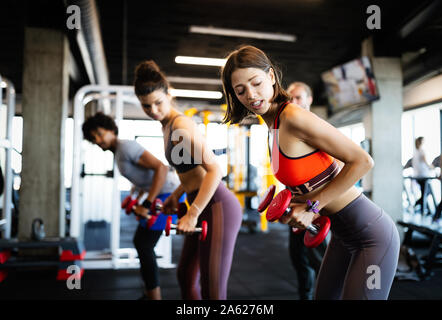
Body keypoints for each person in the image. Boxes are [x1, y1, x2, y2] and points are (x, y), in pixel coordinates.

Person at [221, 45, 400, 300]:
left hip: (371, 235)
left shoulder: (293, 116)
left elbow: (362, 161)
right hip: (342, 235)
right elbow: (312, 178)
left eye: (256, 83)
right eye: (241, 90)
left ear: (271, 76)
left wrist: (312, 208)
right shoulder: (272, 125)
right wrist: (295, 204)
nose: (251, 94)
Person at [133, 60, 243, 300]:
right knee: (184, 276)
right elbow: (191, 172)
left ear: (168, 94)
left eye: (158, 103)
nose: (153, 110)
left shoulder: (181, 125)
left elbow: (215, 170)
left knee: (212, 289)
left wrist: (192, 212)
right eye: (146, 106)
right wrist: (175, 196)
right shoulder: (166, 125)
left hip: (217, 206)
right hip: (199, 202)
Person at [82, 112, 181, 300]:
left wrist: (147, 203)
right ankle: (149, 293)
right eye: (93, 138)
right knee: (141, 243)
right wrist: (135, 196)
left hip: (169, 195)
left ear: (111, 130)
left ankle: (154, 296)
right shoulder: (118, 152)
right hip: (159, 194)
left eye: (100, 134)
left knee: (144, 245)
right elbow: (145, 177)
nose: (98, 140)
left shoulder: (126, 146)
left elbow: (161, 167)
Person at [284, 81, 327, 299]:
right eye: (290, 98)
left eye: (299, 97)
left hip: (319, 210)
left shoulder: (316, 127)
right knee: (298, 260)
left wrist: (318, 207)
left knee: (322, 263)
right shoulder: (289, 130)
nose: (294, 102)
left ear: (309, 100)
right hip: (297, 207)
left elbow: (341, 165)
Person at [412, 137, 434, 213]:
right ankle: (420, 208)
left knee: (425, 193)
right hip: (423, 175)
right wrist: (432, 167)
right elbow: (426, 162)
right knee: (426, 193)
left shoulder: (415, 152)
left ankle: (424, 209)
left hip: (417, 175)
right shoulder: (422, 151)